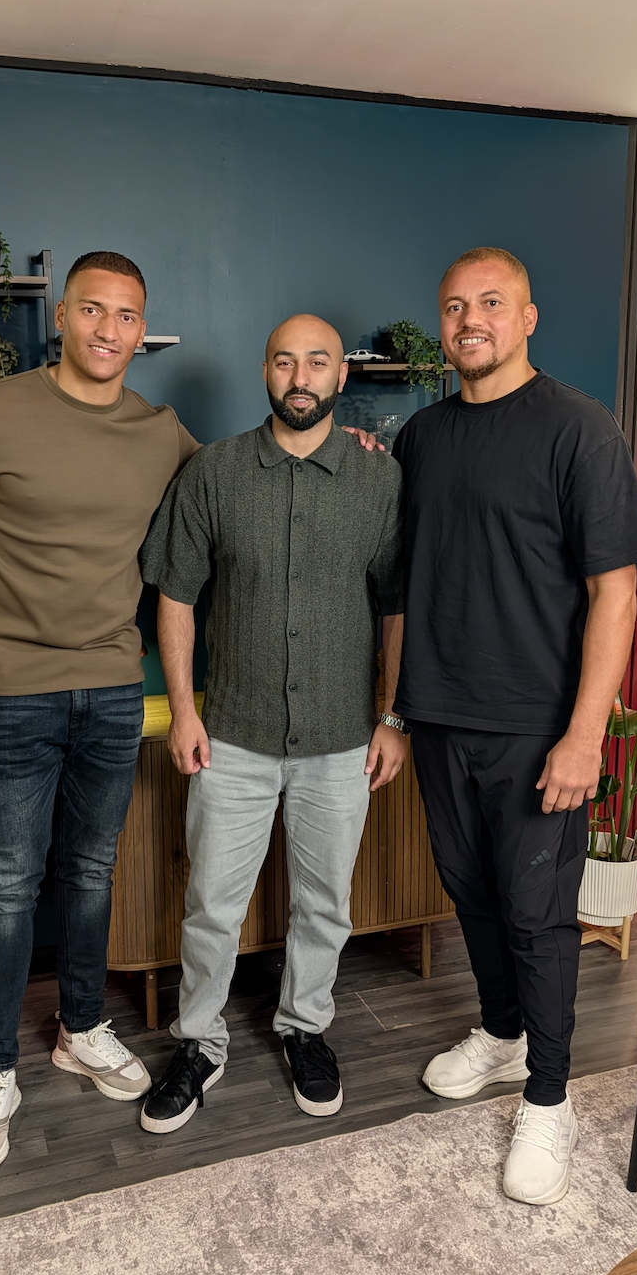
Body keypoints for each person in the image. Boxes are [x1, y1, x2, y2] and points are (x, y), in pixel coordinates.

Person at [0, 251, 199, 1173]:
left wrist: (350, 449)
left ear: (144, 329)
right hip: (4, 690)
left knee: (93, 872)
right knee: (7, 885)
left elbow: (245, 487)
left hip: (113, 688)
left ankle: (81, 1027)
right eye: (95, 310)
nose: (111, 330)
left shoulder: (162, 432)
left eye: (129, 316)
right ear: (62, 315)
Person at [391, 247, 637, 1205]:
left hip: (538, 729)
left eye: (492, 303)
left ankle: (549, 1101)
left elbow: (615, 593)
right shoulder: (421, 438)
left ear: (529, 318)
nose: (472, 319)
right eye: (455, 304)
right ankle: (502, 1037)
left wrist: (585, 735)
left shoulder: (581, 430)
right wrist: (396, 709)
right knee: (472, 895)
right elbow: (409, 590)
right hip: (439, 716)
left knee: (541, 919)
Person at [137, 313, 407, 1134]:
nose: (300, 375)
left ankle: (305, 1028)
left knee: (326, 904)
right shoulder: (214, 474)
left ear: (341, 378)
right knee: (212, 904)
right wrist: (185, 710)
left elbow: (395, 607)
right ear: (265, 371)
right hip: (234, 737)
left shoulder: (380, 480)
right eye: (285, 360)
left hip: (341, 741)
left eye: (317, 361)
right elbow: (174, 597)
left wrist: (392, 716)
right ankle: (198, 1043)